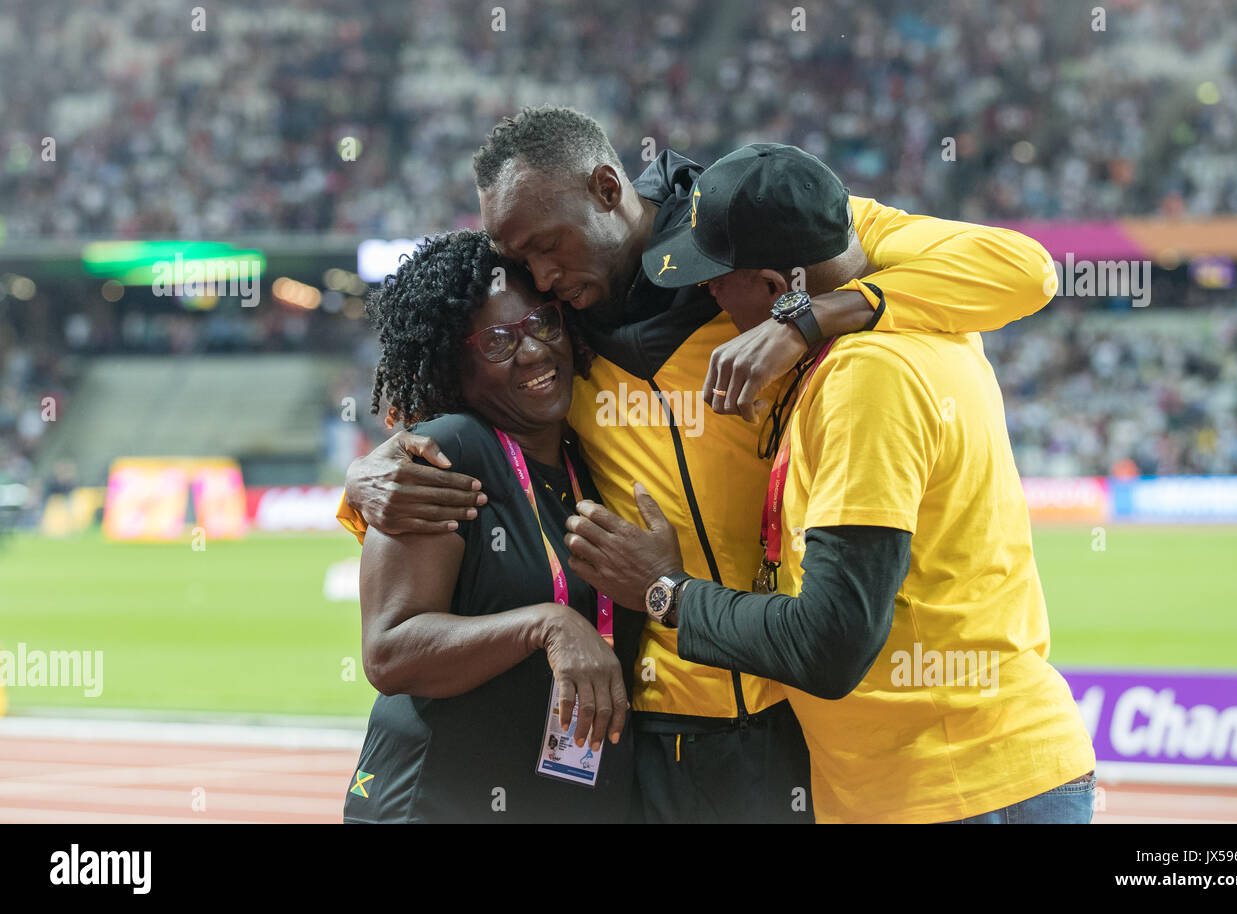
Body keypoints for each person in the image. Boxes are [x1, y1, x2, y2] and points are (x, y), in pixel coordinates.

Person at [340, 106, 1058, 823]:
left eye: (548, 247)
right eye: (522, 260)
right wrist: (369, 473)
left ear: (606, 189)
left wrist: (813, 316)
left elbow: (1024, 270)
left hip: (793, 713)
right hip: (656, 726)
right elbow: (454, 399)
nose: (541, 278)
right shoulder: (558, 328)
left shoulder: (750, 227)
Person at [562, 144, 1096, 823]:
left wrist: (665, 593)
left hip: (954, 788)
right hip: (949, 783)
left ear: (780, 283)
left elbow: (829, 643)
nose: (704, 294)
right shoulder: (912, 315)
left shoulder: (867, 376)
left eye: (718, 278)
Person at [343, 230, 642, 823]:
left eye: (543, 325)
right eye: (498, 341)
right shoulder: (446, 453)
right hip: (433, 799)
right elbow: (389, 653)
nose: (532, 352)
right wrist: (546, 625)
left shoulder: (590, 458)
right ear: (457, 362)